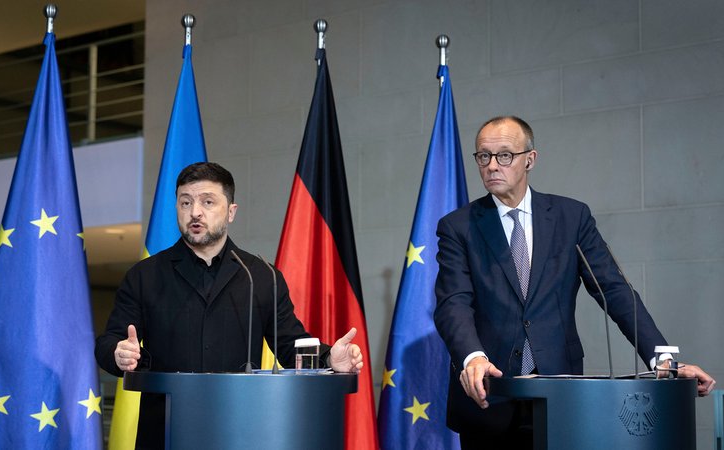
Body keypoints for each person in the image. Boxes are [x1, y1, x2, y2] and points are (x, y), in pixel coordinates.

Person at [433, 115, 716, 449]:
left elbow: (614, 290)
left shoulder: (571, 217)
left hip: (562, 399)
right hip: (490, 394)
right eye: (484, 156)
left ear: (530, 159)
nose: (493, 165)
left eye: (505, 155)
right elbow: (453, 302)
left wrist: (664, 361)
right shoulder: (458, 226)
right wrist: (472, 358)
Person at [95, 162, 363, 449]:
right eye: (185, 202)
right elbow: (109, 342)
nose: (195, 212)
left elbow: (289, 344)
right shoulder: (144, 275)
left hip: (241, 430)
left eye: (207, 202)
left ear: (231, 211)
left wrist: (328, 360)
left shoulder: (261, 275)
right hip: (166, 431)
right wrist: (119, 353)